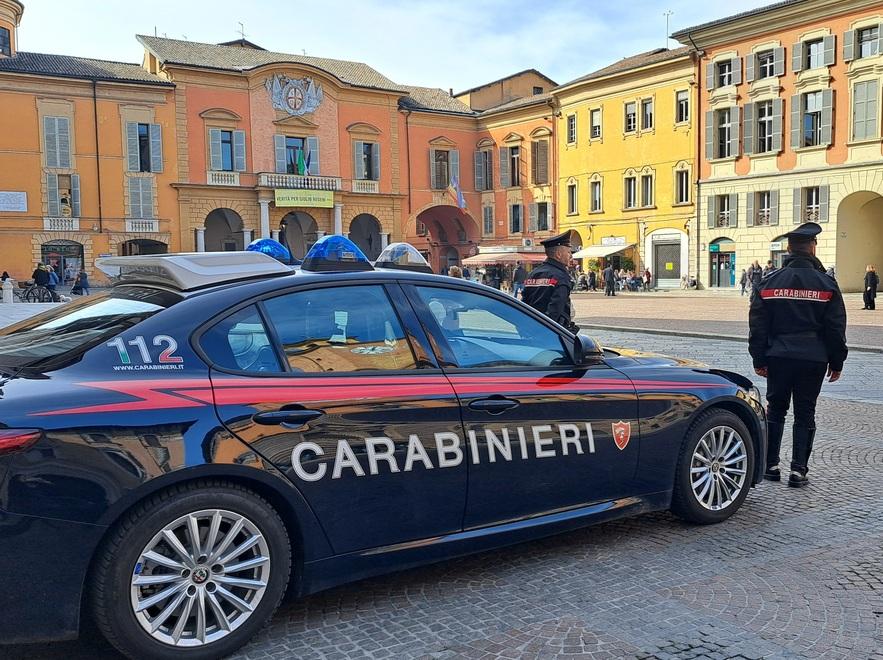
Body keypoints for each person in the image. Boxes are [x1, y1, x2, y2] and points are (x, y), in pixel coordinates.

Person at [748, 222, 847, 488]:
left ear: (789, 249)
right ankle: (798, 471)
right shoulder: (827, 284)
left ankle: (770, 466)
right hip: (813, 358)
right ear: (813, 247)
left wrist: (759, 359)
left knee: (775, 409)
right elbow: (835, 328)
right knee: (805, 412)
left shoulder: (769, 282)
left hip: (778, 356)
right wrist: (837, 361)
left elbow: (757, 325)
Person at [522, 230, 578, 332]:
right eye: (568, 252)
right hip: (551, 332)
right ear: (558, 254)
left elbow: (524, 303)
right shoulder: (561, 276)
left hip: (530, 328)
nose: (571, 256)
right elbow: (556, 309)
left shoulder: (533, 273)